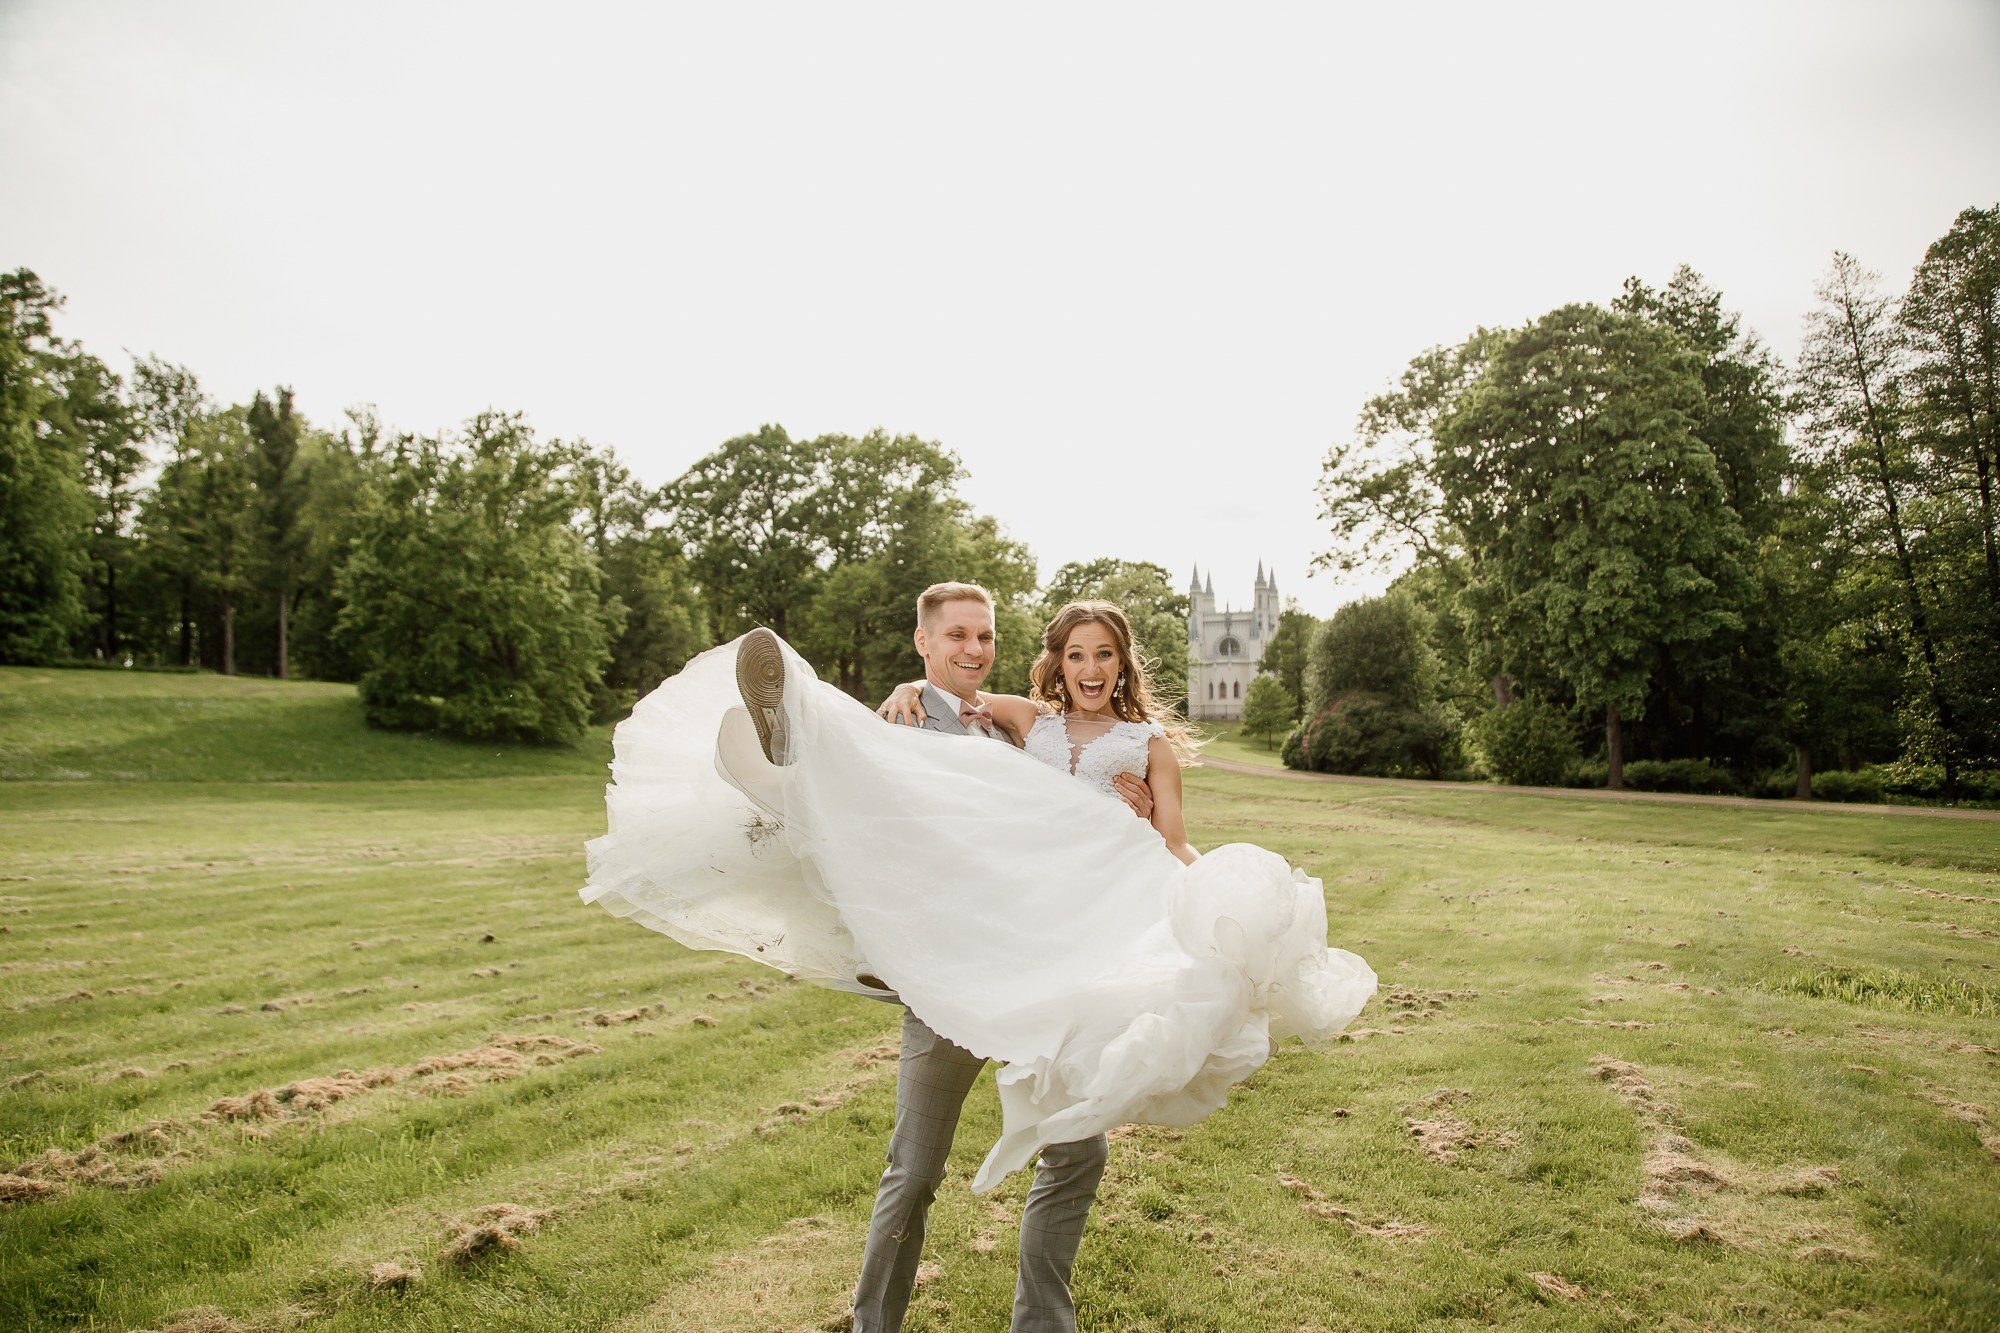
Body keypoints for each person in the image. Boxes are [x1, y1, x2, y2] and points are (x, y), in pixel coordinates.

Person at [581, 588, 1375, 1333]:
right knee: (915, 1166)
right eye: (1076, 656)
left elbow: (1171, 849)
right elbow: (922, 746)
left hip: (1071, 966)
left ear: (1122, 664)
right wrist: (908, 689)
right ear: (1056, 663)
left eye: (1104, 656)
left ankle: (1041, 1324)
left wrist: (1189, 872)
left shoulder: (1133, 748)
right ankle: (793, 749)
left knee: (1077, 1147)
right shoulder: (1019, 724)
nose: (1090, 669)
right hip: (969, 956)